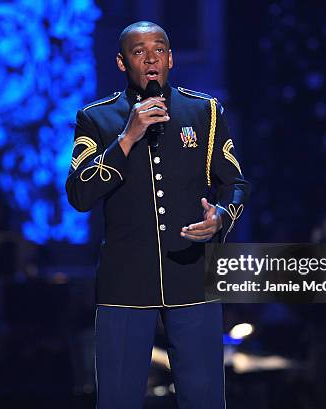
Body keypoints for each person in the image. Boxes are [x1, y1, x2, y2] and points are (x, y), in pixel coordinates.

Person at [66, 21, 250, 409]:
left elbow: (235, 183)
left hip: (192, 278)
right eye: (138, 51)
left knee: (204, 400)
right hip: (125, 285)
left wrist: (220, 216)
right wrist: (127, 138)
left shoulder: (205, 111)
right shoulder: (96, 118)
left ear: (171, 57)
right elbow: (80, 194)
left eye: (159, 49)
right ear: (121, 62)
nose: (151, 58)